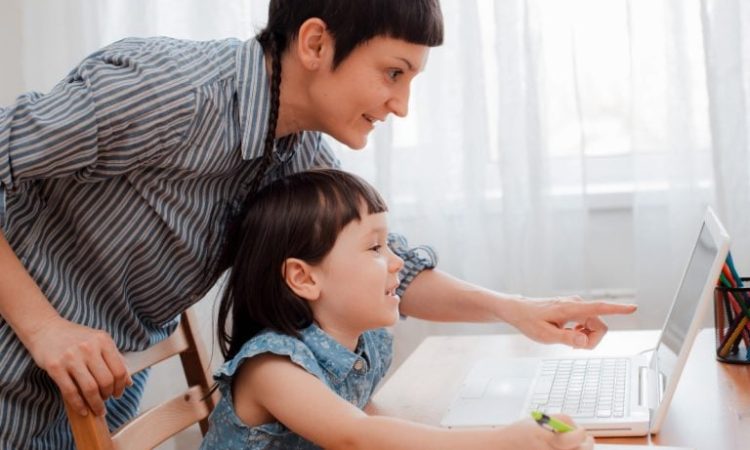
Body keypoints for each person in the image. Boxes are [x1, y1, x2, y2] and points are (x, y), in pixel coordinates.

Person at [0, 0, 635, 448]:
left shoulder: (292, 149)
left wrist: (515, 310)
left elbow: (394, 267)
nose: (402, 105)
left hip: (89, 389)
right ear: (314, 43)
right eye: (393, 73)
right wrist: (44, 326)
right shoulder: (172, 90)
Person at [201, 168, 594, 450]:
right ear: (304, 278)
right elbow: (353, 436)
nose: (397, 262)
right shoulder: (272, 367)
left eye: (389, 245)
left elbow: (369, 419)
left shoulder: (365, 343)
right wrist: (500, 442)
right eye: (375, 248)